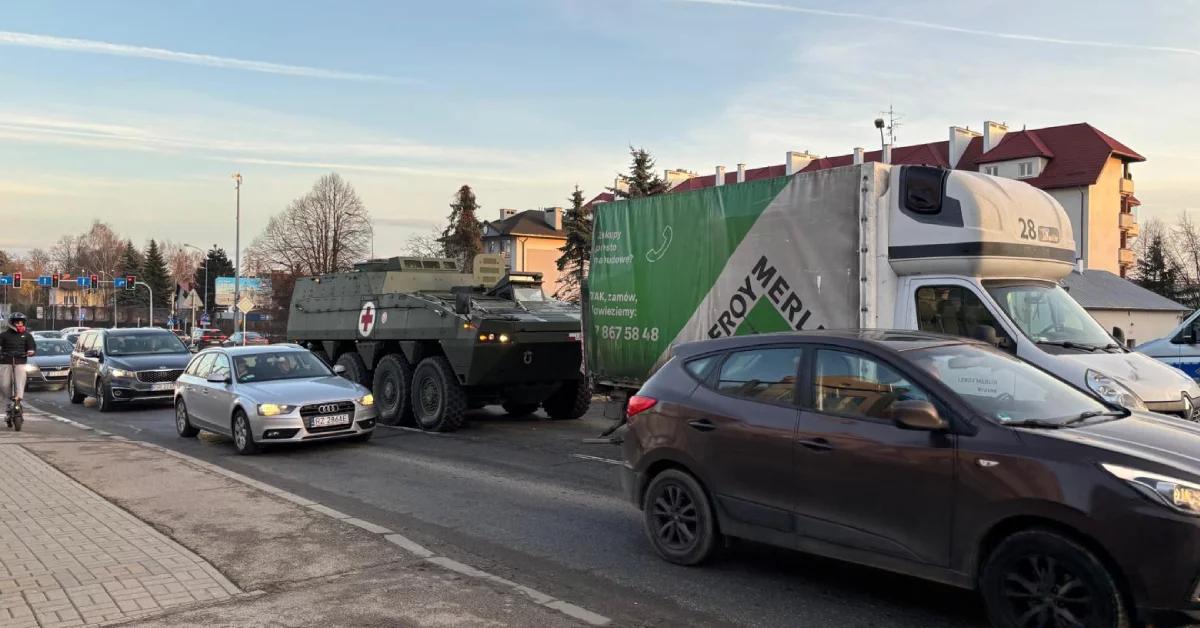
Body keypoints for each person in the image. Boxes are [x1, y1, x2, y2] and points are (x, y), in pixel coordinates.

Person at [0, 312, 37, 426]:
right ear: (12, 323)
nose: (20, 324)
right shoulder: (3, 335)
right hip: (5, 362)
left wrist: (31, 352)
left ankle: (17, 400)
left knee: (20, 383)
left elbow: (32, 347)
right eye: (17, 322)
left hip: (20, 362)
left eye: (21, 322)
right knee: (4, 385)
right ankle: (8, 404)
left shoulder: (27, 335)